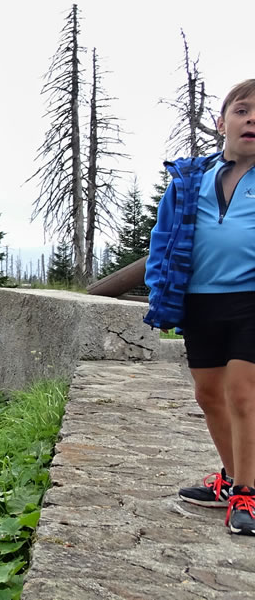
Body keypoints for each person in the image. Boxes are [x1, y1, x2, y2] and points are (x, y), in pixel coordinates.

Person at [146, 79, 255, 535]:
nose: (251, 119)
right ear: (221, 122)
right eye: (242, 110)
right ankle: (231, 479)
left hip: (250, 300)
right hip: (199, 300)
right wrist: (160, 292)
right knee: (208, 395)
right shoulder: (191, 180)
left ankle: (248, 492)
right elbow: (163, 238)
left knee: (243, 393)